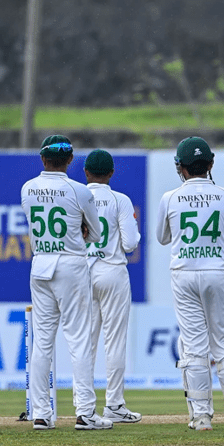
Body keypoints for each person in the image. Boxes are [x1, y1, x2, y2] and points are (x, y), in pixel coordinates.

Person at [156, 136, 224, 431]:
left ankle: (200, 416)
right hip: (217, 271)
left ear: (179, 168)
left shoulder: (170, 198)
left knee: (194, 346)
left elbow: (163, 238)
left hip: (183, 273)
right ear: (211, 164)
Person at [21, 135, 109, 430]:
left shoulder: (28, 188)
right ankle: (85, 412)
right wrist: (81, 228)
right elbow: (96, 234)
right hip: (70, 262)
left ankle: (41, 414)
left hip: (41, 263)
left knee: (42, 343)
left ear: (42, 159)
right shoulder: (79, 191)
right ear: (70, 160)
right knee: (79, 339)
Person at [83, 149, 142, 423]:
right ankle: (114, 405)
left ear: (86, 173)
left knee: (85, 342)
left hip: (82, 272)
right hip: (112, 270)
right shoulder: (120, 199)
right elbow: (130, 244)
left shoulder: (76, 196)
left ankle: (83, 405)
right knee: (114, 341)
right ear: (111, 174)